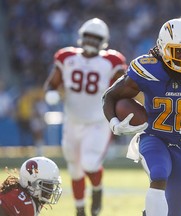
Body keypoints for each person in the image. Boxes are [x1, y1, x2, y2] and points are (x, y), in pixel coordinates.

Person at [102, 18, 181, 216]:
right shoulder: (148, 70)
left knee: (175, 210)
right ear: (163, 48)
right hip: (154, 137)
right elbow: (110, 96)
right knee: (158, 175)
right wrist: (114, 124)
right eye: (178, 50)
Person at [43, 18, 127, 216]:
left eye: (95, 37)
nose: (90, 41)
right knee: (74, 168)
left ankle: (97, 190)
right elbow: (51, 84)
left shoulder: (112, 61)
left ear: (103, 40)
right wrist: (51, 92)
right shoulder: (66, 57)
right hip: (72, 121)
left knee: (89, 163)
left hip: (98, 122)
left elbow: (125, 89)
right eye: (88, 36)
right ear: (81, 37)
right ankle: (80, 209)